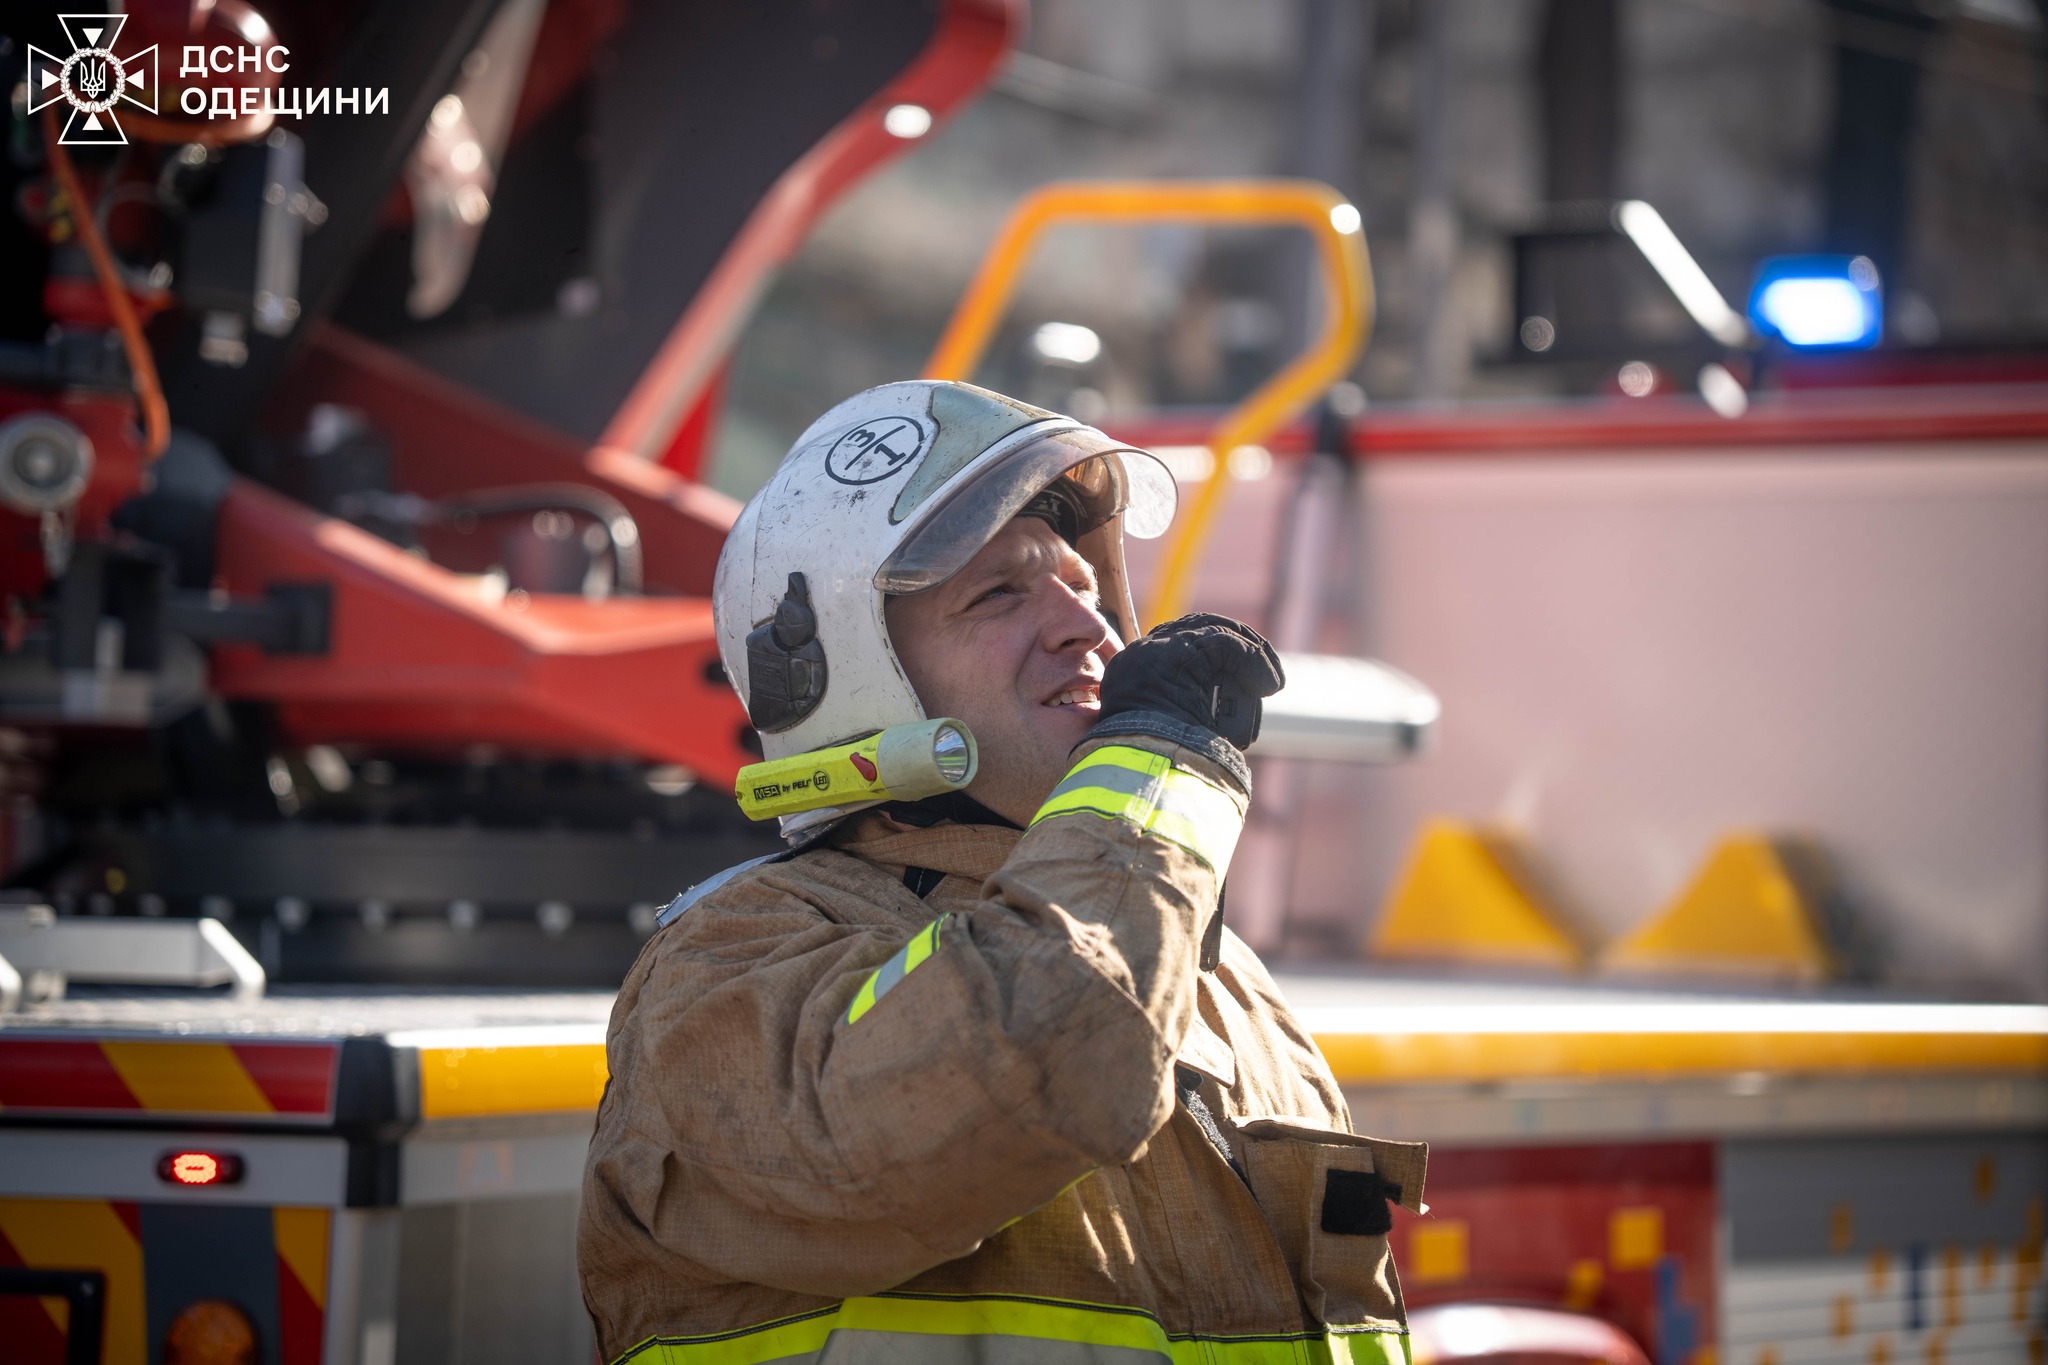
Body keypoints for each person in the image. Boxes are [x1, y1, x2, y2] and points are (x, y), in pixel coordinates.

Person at [579, 380, 1425, 1365]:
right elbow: (1050, 1048)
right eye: (1000, 592)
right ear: (851, 681)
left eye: (1084, 585)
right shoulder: (731, 966)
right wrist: (1152, 777)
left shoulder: (1224, 980)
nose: (1090, 628)